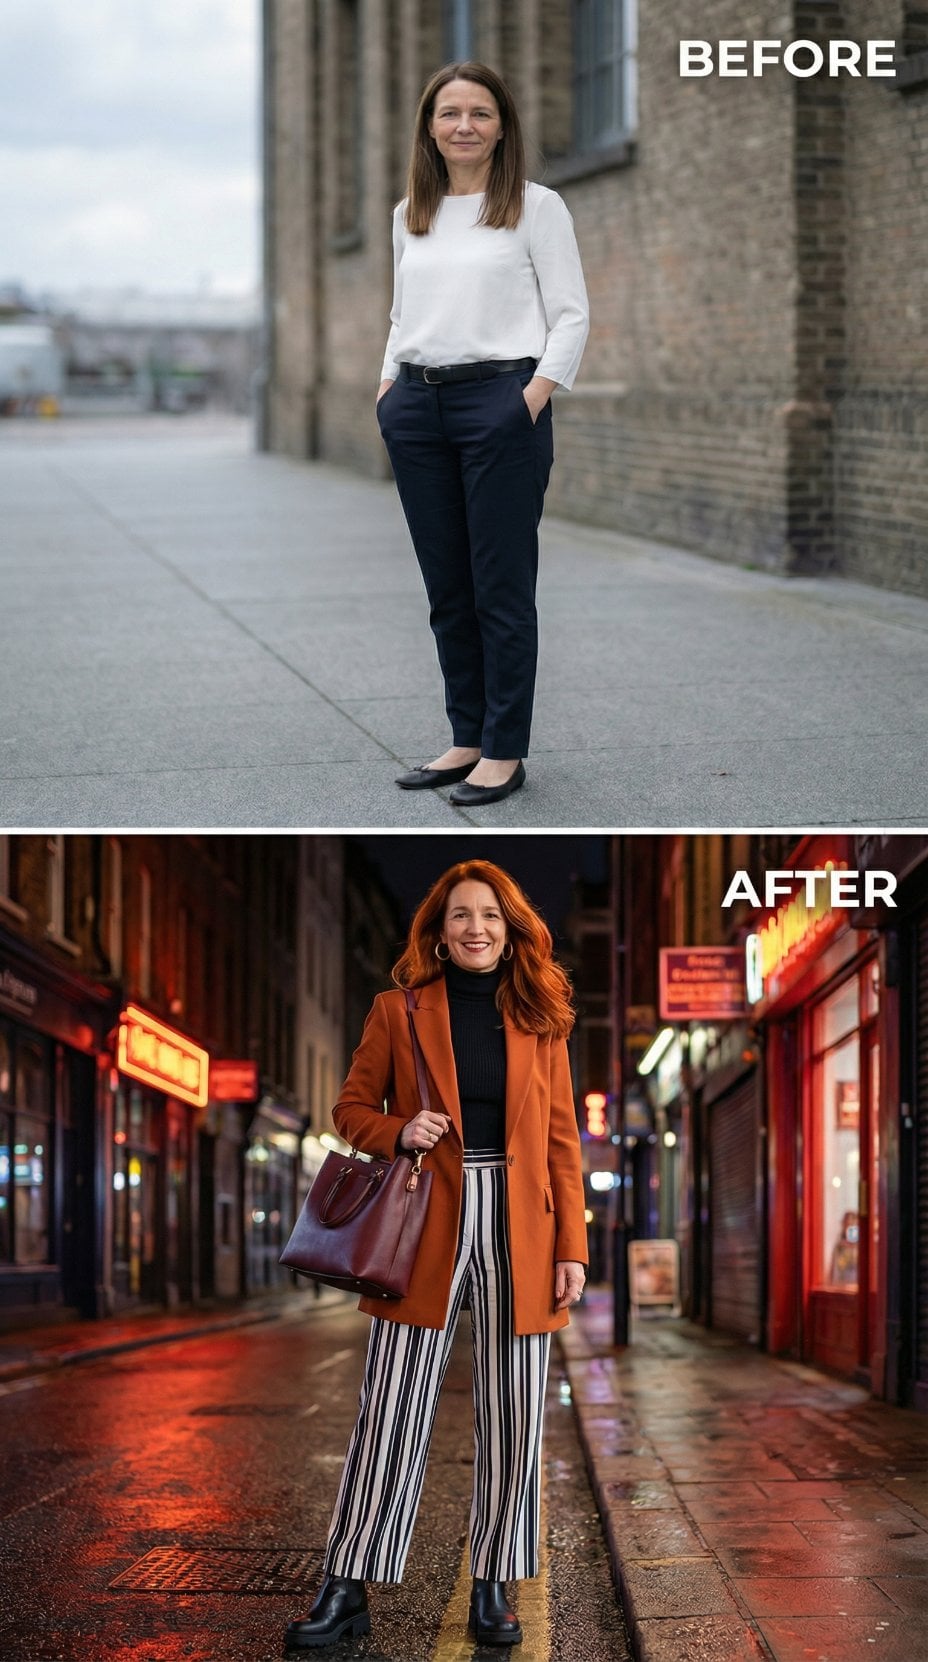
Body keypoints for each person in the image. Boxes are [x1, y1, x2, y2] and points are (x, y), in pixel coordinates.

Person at [285, 859, 587, 1650]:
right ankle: (346, 1585)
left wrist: (573, 1248)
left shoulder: (542, 1018)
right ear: (440, 932)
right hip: (425, 1220)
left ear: (510, 926)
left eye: (489, 914)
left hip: (524, 1225)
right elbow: (350, 1108)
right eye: (460, 916)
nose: (475, 928)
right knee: (391, 1408)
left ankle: (495, 1583)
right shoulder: (399, 1011)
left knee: (516, 1414)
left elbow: (562, 1144)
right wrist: (399, 1130)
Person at [378, 62, 590, 808]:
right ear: (428, 128)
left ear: (503, 126)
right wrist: (386, 391)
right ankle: (465, 736)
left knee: (500, 588)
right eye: (448, 113)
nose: (463, 125)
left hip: (501, 404)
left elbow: (571, 314)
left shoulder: (537, 209)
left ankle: (504, 750)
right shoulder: (412, 214)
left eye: (479, 113)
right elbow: (403, 316)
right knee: (447, 589)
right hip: (416, 407)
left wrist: (530, 398)